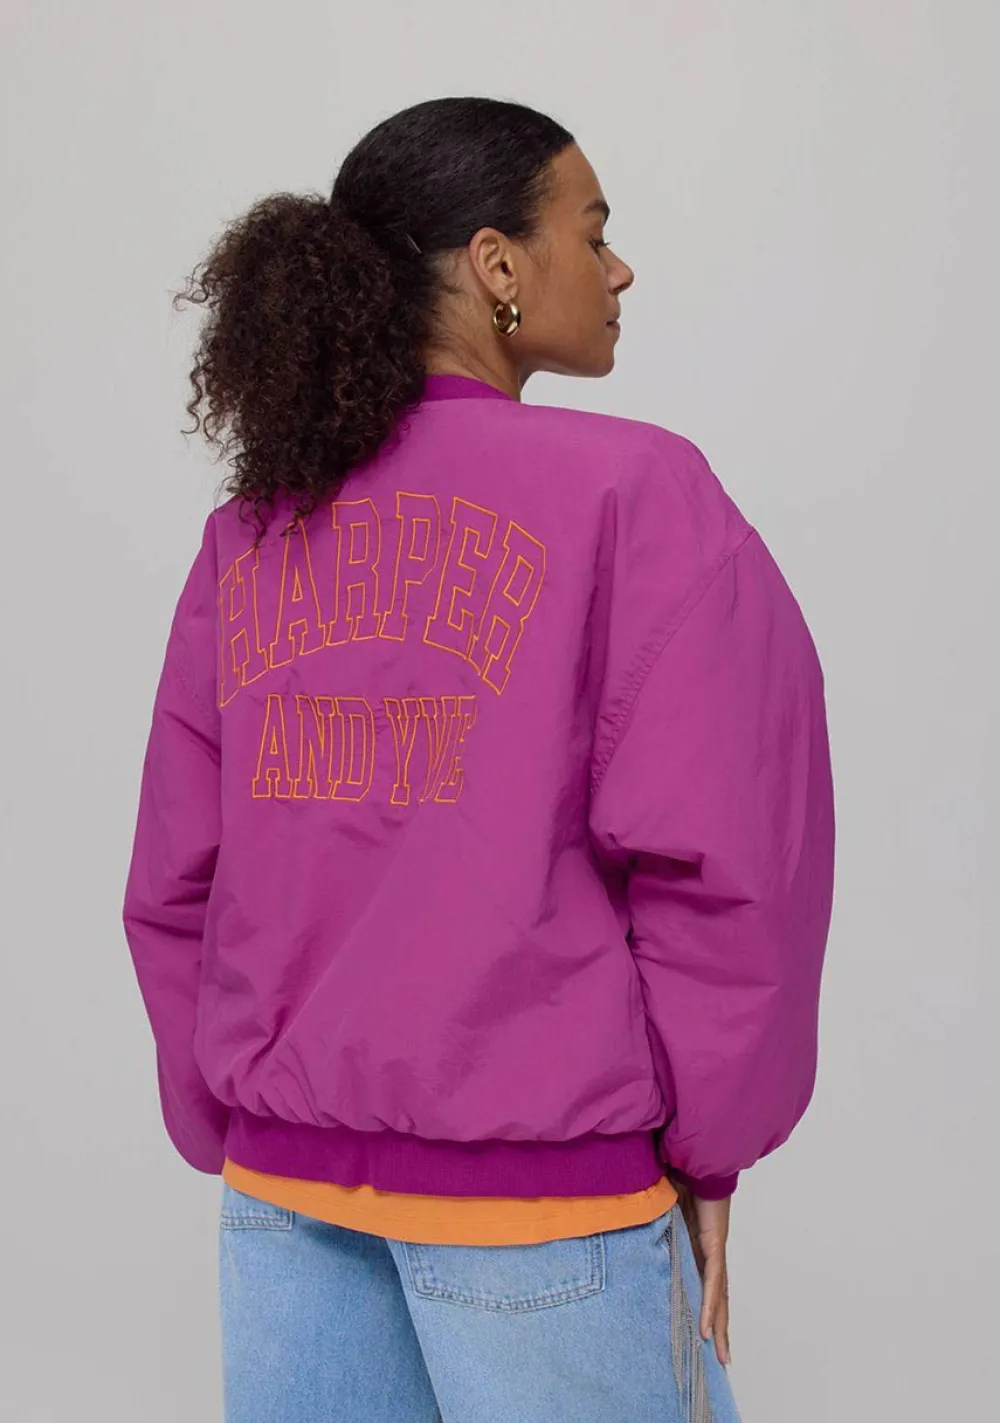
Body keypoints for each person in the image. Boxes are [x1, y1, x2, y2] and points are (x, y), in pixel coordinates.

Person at [122, 95, 835, 1423]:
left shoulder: (256, 531)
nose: (619, 269)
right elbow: (734, 859)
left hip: (282, 1201)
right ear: (500, 264)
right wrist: (709, 1147)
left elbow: (177, 875)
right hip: (542, 1206)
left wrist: (229, 1110)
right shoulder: (636, 493)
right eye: (593, 231)